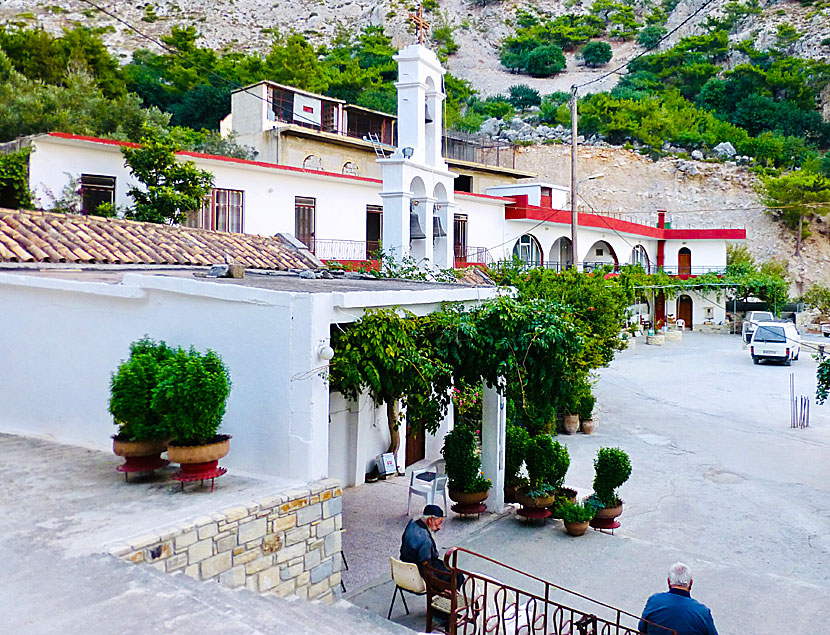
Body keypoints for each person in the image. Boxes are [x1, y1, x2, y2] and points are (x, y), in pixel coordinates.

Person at [638, 562, 718, 635]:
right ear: (691, 584)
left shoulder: (654, 601)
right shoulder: (702, 612)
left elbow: (641, 628)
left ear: (668, 582)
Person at [400, 504, 463, 588]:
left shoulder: (412, 523)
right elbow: (426, 569)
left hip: (404, 566)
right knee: (458, 576)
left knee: (447, 568)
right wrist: (440, 587)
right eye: (439, 523)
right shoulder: (426, 541)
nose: (439, 527)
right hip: (417, 570)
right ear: (430, 519)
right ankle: (448, 597)